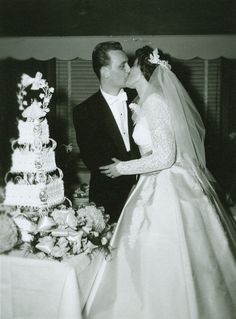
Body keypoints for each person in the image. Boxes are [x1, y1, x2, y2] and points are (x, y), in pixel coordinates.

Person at [83, 46, 236, 319]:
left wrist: (122, 167)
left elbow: (165, 158)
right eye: (124, 65)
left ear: (145, 71)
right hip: (150, 183)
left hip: (167, 186)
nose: (128, 69)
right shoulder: (144, 101)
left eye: (132, 65)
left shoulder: (155, 101)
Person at [73, 41, 140, 223]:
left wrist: (134, 169)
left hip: (145, 190)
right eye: (122, 65)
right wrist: (127, 169)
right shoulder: (84, 111)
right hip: (109, 196)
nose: (128, 69)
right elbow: (92, 158)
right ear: (105, 72)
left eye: (128, 63)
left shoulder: (140, 98)